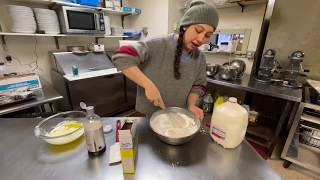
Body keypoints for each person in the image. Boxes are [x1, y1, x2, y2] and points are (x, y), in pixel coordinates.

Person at [112, 0, 219, 120]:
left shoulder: (200, 58)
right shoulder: (158, 44)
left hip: (178, 116)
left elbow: (199, 85)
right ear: (185, 26)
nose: (201, 39)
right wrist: (148, 85)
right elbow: (121, 56)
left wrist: (191, 105)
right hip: (148, 116)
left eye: (207, 35)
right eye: (198, 30)